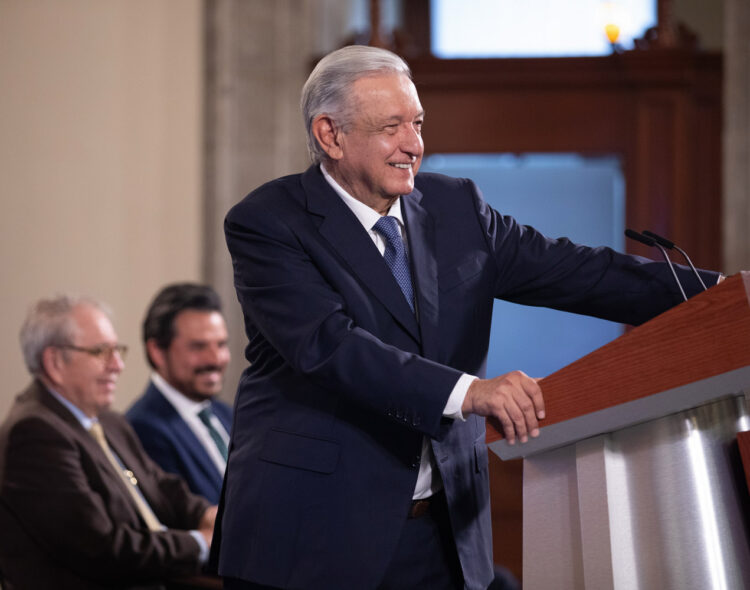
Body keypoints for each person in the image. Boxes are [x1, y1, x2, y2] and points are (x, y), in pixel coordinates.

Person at [211, 45, 721, 590]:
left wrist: (721, 295)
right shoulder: (268, 223)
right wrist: (470, 392)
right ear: (330, 135)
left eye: (418, 123)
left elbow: (574, 271)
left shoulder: (456, 208)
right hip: (311, 537)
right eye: (391, 127)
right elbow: (331, 347)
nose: (414, 145)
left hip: (442, 537)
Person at [0, 295, 217, 590]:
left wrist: (206, 515)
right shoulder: (35, 433)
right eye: (101, 351)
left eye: (117, 351)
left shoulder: (108, 420)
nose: (117, 365)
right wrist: (199, 542)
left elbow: (162, 487)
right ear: (54, 362)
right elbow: (102, 547)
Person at [127, 283, 232, 504]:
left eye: (221, 344)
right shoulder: (142, 429)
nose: (215, 359)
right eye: (199, 347)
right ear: (157, 351)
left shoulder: (227, 414)